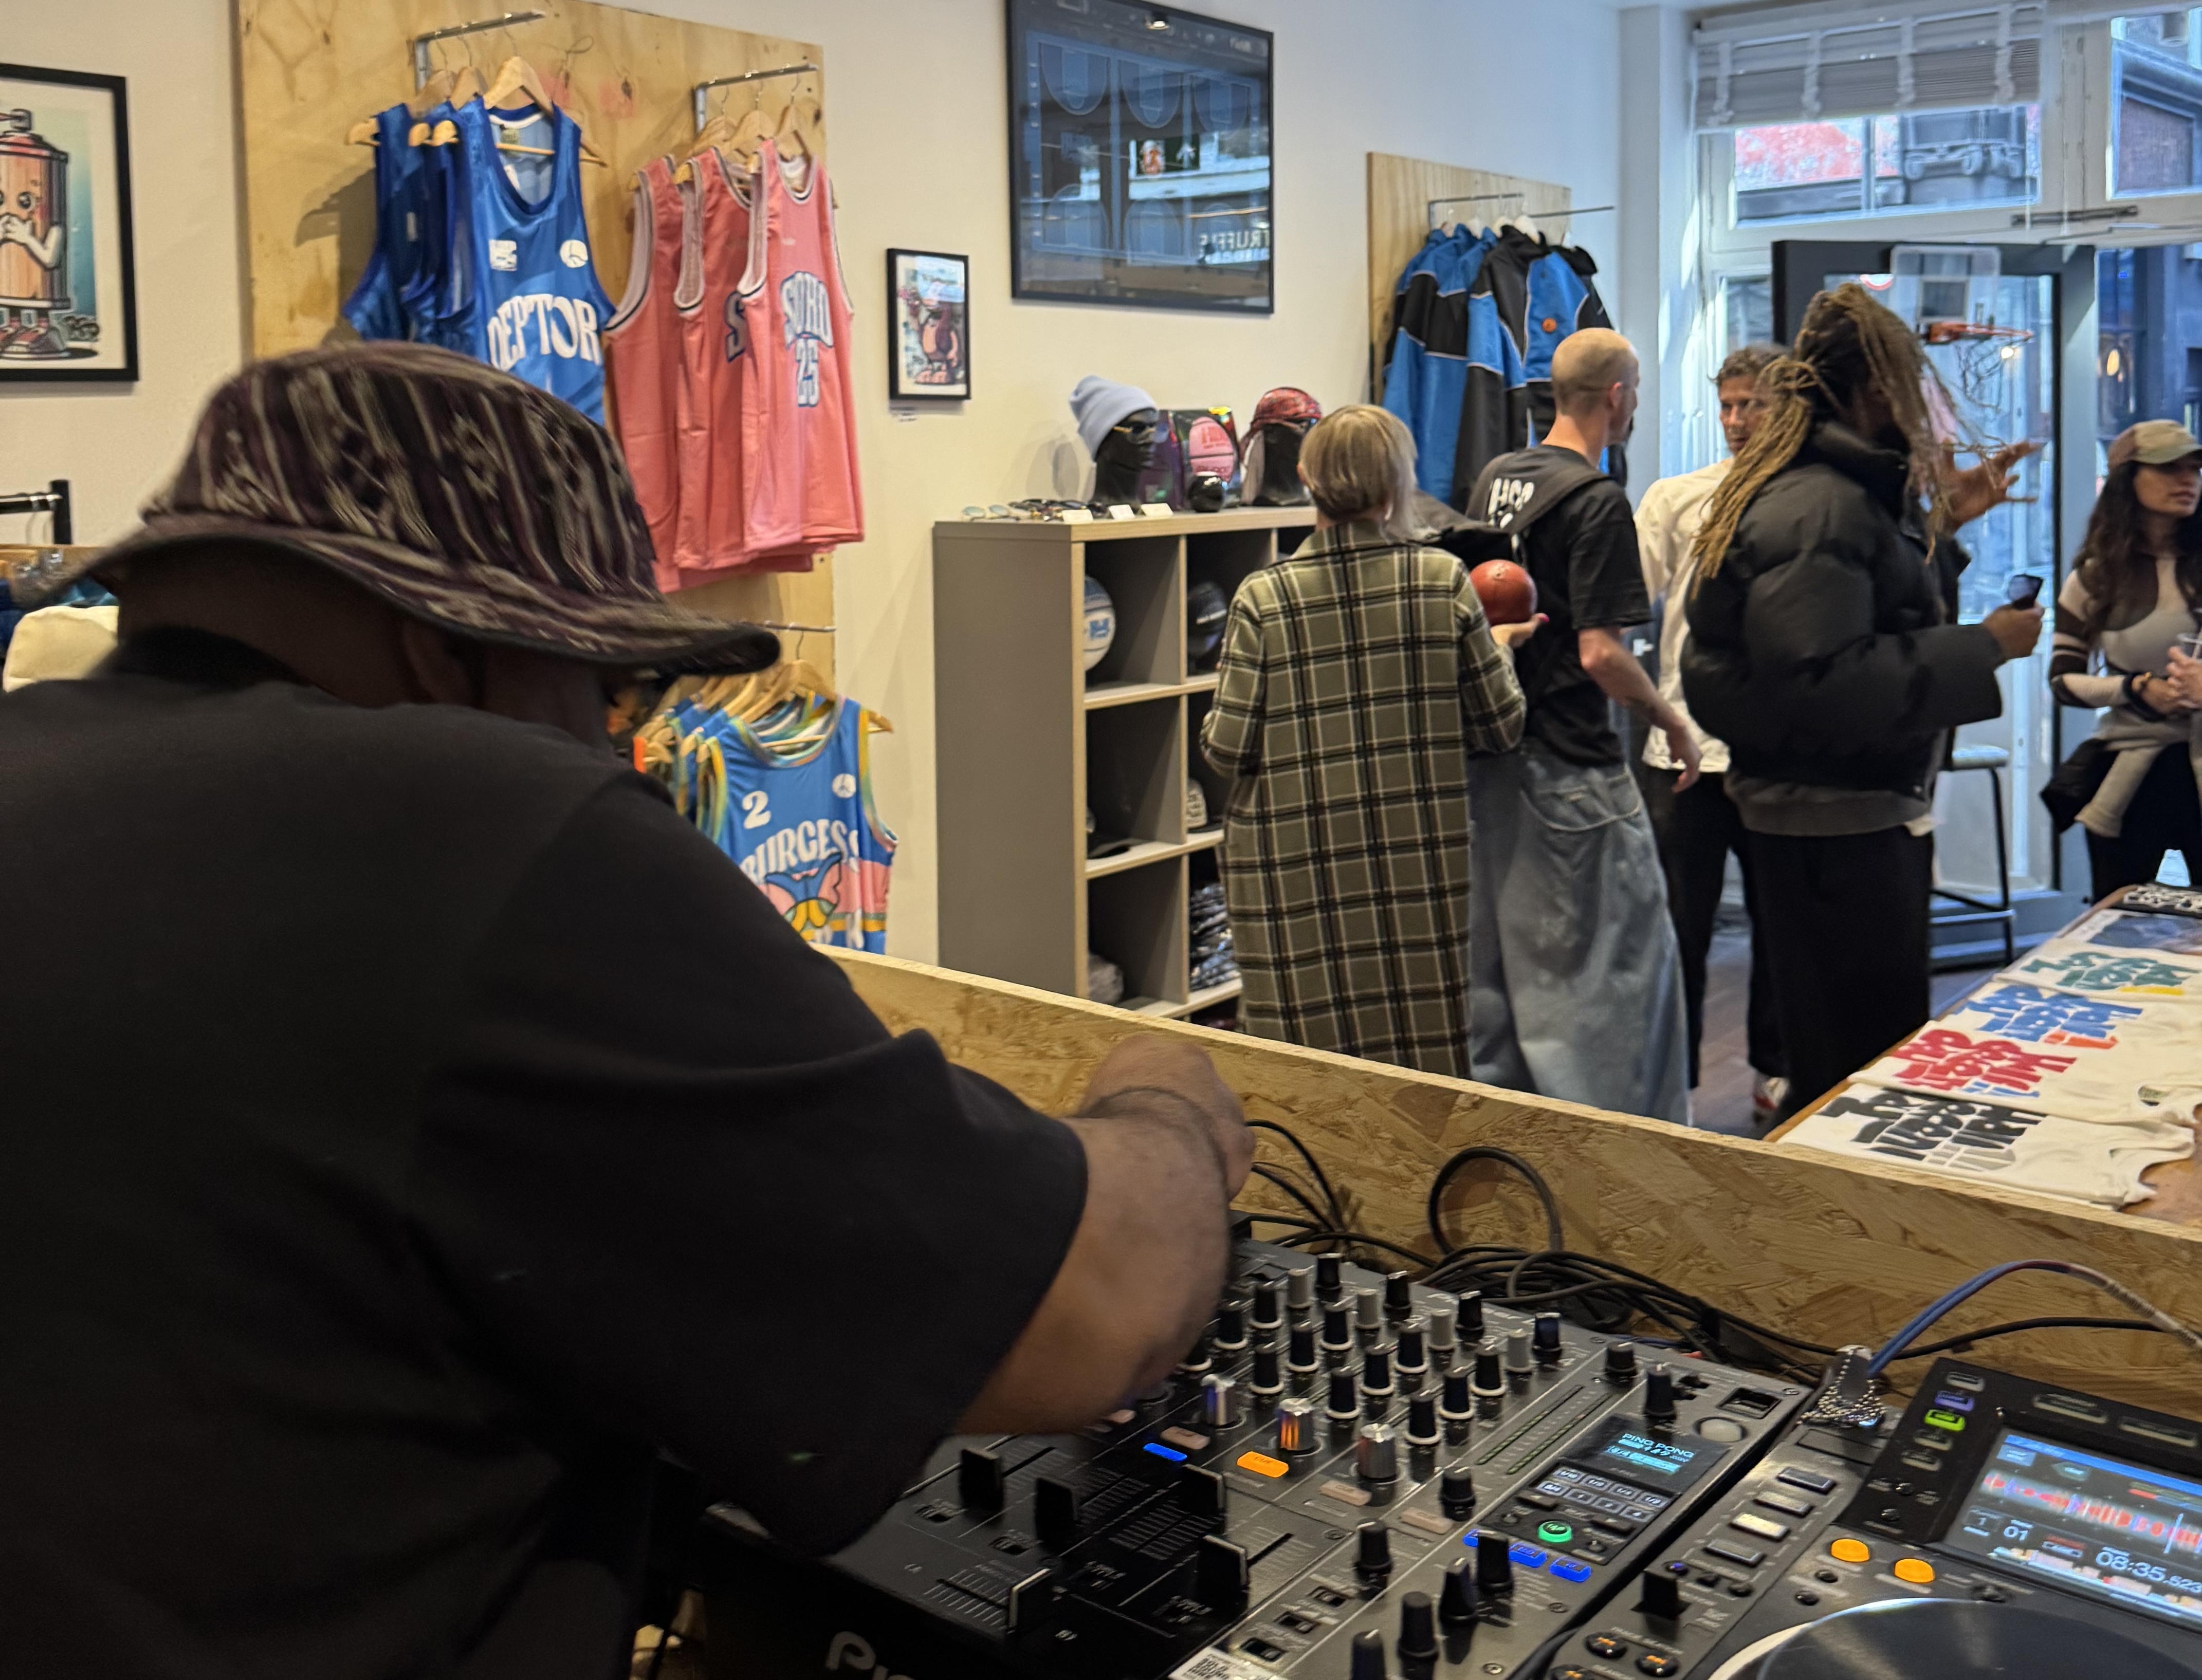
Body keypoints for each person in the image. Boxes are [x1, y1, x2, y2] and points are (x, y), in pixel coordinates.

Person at [0, 343, 1253, 1679]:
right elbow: (1087, 1311)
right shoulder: (481, 819)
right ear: (452, 646)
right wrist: (1168, 1097)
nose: (621, 745)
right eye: (607, 689)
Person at [1683, 283, 2042, 1120]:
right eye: (1908, 379)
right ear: (1873, 387)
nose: (1922, 401)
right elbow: (1822, 682)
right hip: (1831, 829)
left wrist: (1943, 525)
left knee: (1863, 1066)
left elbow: (1865, 617)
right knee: (1856, 1079)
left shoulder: (1834, 492)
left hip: (1839, 816)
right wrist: (1984, 646)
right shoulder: (1820, 502)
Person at [1200, 404, 1535, 1077]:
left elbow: (1226, 750)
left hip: (1291, 878)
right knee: (1419, 1072)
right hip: (1415, 872)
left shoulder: (1264, 598)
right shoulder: (1442, 582)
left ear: (1306, 478)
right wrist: (1501, 647)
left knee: (1301, 1077)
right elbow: (1501, 726)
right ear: (1396, 486)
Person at [1461, 328, 1694, 1125]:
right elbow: (1601, 654)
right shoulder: (1597, 501)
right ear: (1618, 397)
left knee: (1501, 981)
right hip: (1571, 769)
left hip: (1494, 758)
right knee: (1612, 982)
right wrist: (1669, 718)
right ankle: (1620, 1165)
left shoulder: (1497, 480)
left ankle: (1510, 1156)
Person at [1634, 343, 1789, 1122]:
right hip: (1683, 747)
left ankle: (1776, 1070)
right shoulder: (1677, 497)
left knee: (1781, 922)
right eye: (1727, 405)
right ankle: (1674, 1085)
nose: (1735, 419)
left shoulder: (1803, 501)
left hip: (1775, 749)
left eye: (1751, 404)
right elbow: (1625, 597)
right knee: (1679, 928)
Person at [2049, 419, 2202, 897]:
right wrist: (2135, 688)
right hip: (2131, 770)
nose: (2188, 480)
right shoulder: (2094, 578)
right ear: (2126, 479)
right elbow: (2062, 680)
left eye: (2195, 468)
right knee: (2118, 916)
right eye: (2170, 468)